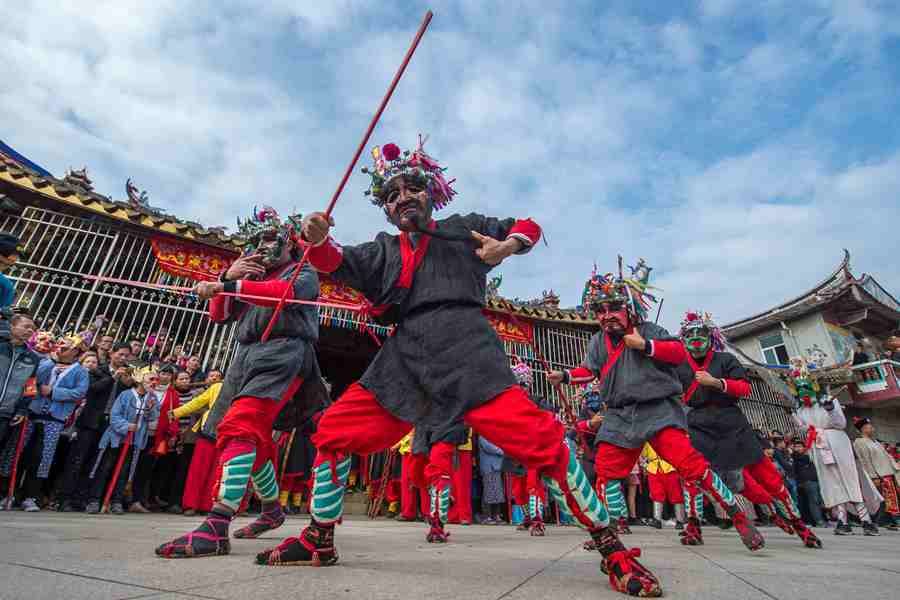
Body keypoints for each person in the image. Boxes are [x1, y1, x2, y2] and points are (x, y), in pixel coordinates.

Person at [254, 139, 658, 597]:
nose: (403, 197)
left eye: (412, 188)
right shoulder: (382, 250)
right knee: (334, 433)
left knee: (547, 443)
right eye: (392, 194)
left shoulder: (465, 229)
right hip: (405, 356)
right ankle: (318, 539)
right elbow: (336, 261)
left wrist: (505, 245)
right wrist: (317, 238)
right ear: (385, 210)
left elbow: (528, 225)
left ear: (432, 194)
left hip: (468, 350)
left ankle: (612, 549)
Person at [550, 266, 764, 555]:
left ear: (630, 307)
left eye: (614, 307)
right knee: (607, 473)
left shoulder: (651, 331)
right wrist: (564, 376)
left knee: (692, 467)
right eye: (600, 309)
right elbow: (589, 371)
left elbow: (678, 353)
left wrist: (645, 345)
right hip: (619, 415)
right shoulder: (597, 341)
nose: (606, 315)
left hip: (658, 409)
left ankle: (737, 517)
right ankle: (610, 528)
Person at [156, 206, 324, 559]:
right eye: (258, 241)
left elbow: (281, 293)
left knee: (242, 424)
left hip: (283, 354)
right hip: (244, 359)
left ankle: (218, 524)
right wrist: (227, 277)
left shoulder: (303, 271)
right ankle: (272, 509)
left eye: (270, 240)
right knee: (253, 438)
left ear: (291, 243)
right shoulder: (249, 277)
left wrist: (227, 283)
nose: (263, 248)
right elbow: (219, 315)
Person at [675, 312, 820, 548]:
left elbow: (743, 388)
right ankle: (693, 527)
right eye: (689, 335)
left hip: (732, 422)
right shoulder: (679, 366)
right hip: (699, 425)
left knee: (767, 476)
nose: (695, 339)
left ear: (710, 336)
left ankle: (799, 525)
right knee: (693, 478)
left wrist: (716, 383)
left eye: (700, 333)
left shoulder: (726, 360)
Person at [790, 359, 882, 536]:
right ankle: (842, 520)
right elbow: (803, 429)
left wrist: (831, 409)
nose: (803, 389)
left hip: (836, 441)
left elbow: (840, 423)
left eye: (806, 384)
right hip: (817, 444)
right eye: (799, 386)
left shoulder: (828, 400)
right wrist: (794, 416)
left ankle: (866, 521)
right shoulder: (800, 409)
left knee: (850, 479)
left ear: (814, 384)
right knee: (831, 484)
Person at [0, 334, 88, 511]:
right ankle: (7, 493)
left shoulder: (80, 371)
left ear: (76, 351)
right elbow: (32, 379)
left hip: (54, 420)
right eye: (60, 345)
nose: (61, 348)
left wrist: (54, 392)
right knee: (17, 453)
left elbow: (79, 393)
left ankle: (31, 496)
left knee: (42, 459)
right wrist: (52, 360)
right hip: (31, 415)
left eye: (66, 347)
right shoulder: (45, 361)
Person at [57, 342, 133, 511]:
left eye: (126, 356)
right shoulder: (98, 370)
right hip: (89, 421)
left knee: (94, 462)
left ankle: (81, 498)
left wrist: (127, 383)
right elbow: (92, 389)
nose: (123, 358)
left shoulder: (127, 374)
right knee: (76, 460)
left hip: (108, 424)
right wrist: (113, 378)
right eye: (120, 354)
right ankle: (64, 498)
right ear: (112, 353)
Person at [86, 368, 160, 514]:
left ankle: (116, 501)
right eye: (151, 379)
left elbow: (152, 417)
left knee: (124, 471)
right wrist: (126, 426)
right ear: (140, 379)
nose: (154, 383)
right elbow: (114, 416)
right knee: (105, 468)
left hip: (133, 441)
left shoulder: (152, 398)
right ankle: (94, 500)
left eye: (156, 380)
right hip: (116, 439)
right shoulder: (125, 395)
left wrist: (150, 409)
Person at [0, 314, 40, 506]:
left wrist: (23, 409)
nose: (29, 330)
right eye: (25, 326)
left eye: (32, 328)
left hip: (7, 412)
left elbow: (30, 387)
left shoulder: (33, 358)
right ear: (12, 326)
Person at [172, 371, 224, 514]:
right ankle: (190, 505)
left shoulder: (244, 391)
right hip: (208, 432)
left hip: (227, 435)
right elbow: (197, 402)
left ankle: (207, 506)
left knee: (216, 474)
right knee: (198, 471)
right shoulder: (217, 387)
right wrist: (175, 413)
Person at [853, 417, 900, 530]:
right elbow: (865, 460)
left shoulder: (875, 442)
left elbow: (887, 456)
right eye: (869, 426)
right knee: (890, 498)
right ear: (863, 429)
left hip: (889, 471)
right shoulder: (860, 442)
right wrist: (873, 476)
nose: (872, 427)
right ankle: (894, 519)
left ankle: (884, 521)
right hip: (880, 474)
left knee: (889, 498)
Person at [641, 444, 685, 530]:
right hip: (654, 469)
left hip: (670, 468)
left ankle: (680, 520)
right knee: (656, 494)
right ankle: (657, 520)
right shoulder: (648, 440)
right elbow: (642, 454)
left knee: (676, 495)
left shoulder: (671, 437)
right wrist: (644, 465)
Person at [790, 439, 825, 526]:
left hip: (814, 480)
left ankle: (817, 520)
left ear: (804, 447)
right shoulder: (796, 456)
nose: (797, 448)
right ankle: (819, 521)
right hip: (807, 481)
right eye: (796, 447)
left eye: (799, 446)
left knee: (816, 501)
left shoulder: (807, 455)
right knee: (814, 501)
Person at [478, 434, 506, 525]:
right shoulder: (483, 435)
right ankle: (487, 516)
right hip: (488, 467)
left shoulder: (494, 433)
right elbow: (488, 447)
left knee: (498, 493)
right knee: (489, 492)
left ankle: (496, 515)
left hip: (497, 466)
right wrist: (503, 450)